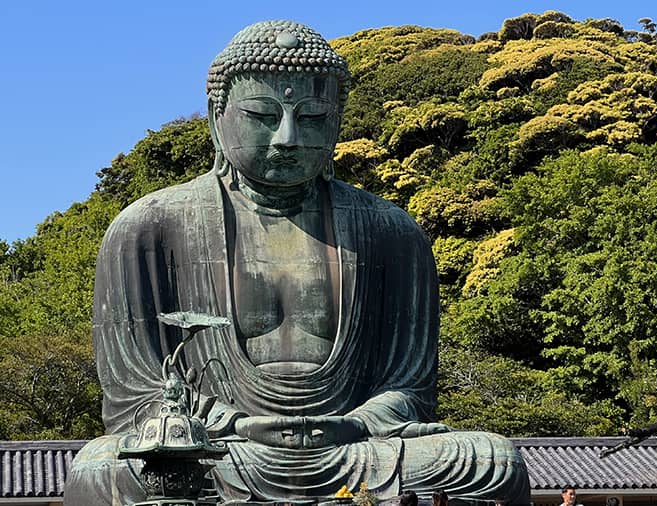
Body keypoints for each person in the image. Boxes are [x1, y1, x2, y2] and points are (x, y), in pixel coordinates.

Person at [64, 20, 531, 506]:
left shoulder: (392, 232)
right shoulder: (148, 227)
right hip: (219, 453)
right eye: (263, 114)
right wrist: (235, 424)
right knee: (98, 471)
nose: (287, 137)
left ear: (338, 122)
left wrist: (355, 422)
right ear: (215, 117)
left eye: (311, 118)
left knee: (492, 461)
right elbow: (136, 398)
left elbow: (409, 388)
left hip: (351, 449)